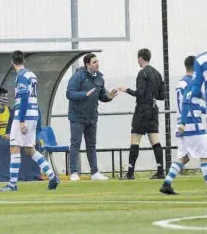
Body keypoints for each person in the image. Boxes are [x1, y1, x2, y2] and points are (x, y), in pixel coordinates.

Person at [0, 50, 59, 191]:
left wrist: (21, 120)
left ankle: (12, 184)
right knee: (30, 150)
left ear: (12, 61)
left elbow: (24, 98)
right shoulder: (32, 75)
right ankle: (52, 176)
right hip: (34, 114)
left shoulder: (21, 77)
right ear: (23, 60)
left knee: (14, 147)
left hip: (23, 115)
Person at [66, 53, 118, 181]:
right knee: (75, 144)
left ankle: (94, 173)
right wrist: (85, 94)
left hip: (92, 117)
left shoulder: (100, 78)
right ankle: (74, 172)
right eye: (94, 62)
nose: (97, 64)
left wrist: (109, 97)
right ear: (87, 64)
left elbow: (102, 95)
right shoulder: (78, 76)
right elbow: (70, 93)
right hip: (77, 117)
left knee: (91, 145)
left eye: (97, 62)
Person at [160, 55, 207, 194]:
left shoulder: (180, 83)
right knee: (205, 156)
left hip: (181, 123)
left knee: (183, 157)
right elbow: (191, 103)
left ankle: (167, 183)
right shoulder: (193, 83)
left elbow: (189, 103)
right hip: (192, 123)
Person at [118, 48, 165, 180]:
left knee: (135, 140)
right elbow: (162, 96)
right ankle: (160, 171)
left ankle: (130, 173)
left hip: (142, 110)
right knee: (155, 140)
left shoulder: (142, 73)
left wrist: (126, 90)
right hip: (154, 109)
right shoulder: (157, 73)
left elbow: (140, 93)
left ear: (140, 58)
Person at [179, 51, 207, 132]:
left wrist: (182, 122)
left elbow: (187, 99)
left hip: (184, 122)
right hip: (194, 124)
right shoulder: (190, 83)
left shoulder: (182, 82)